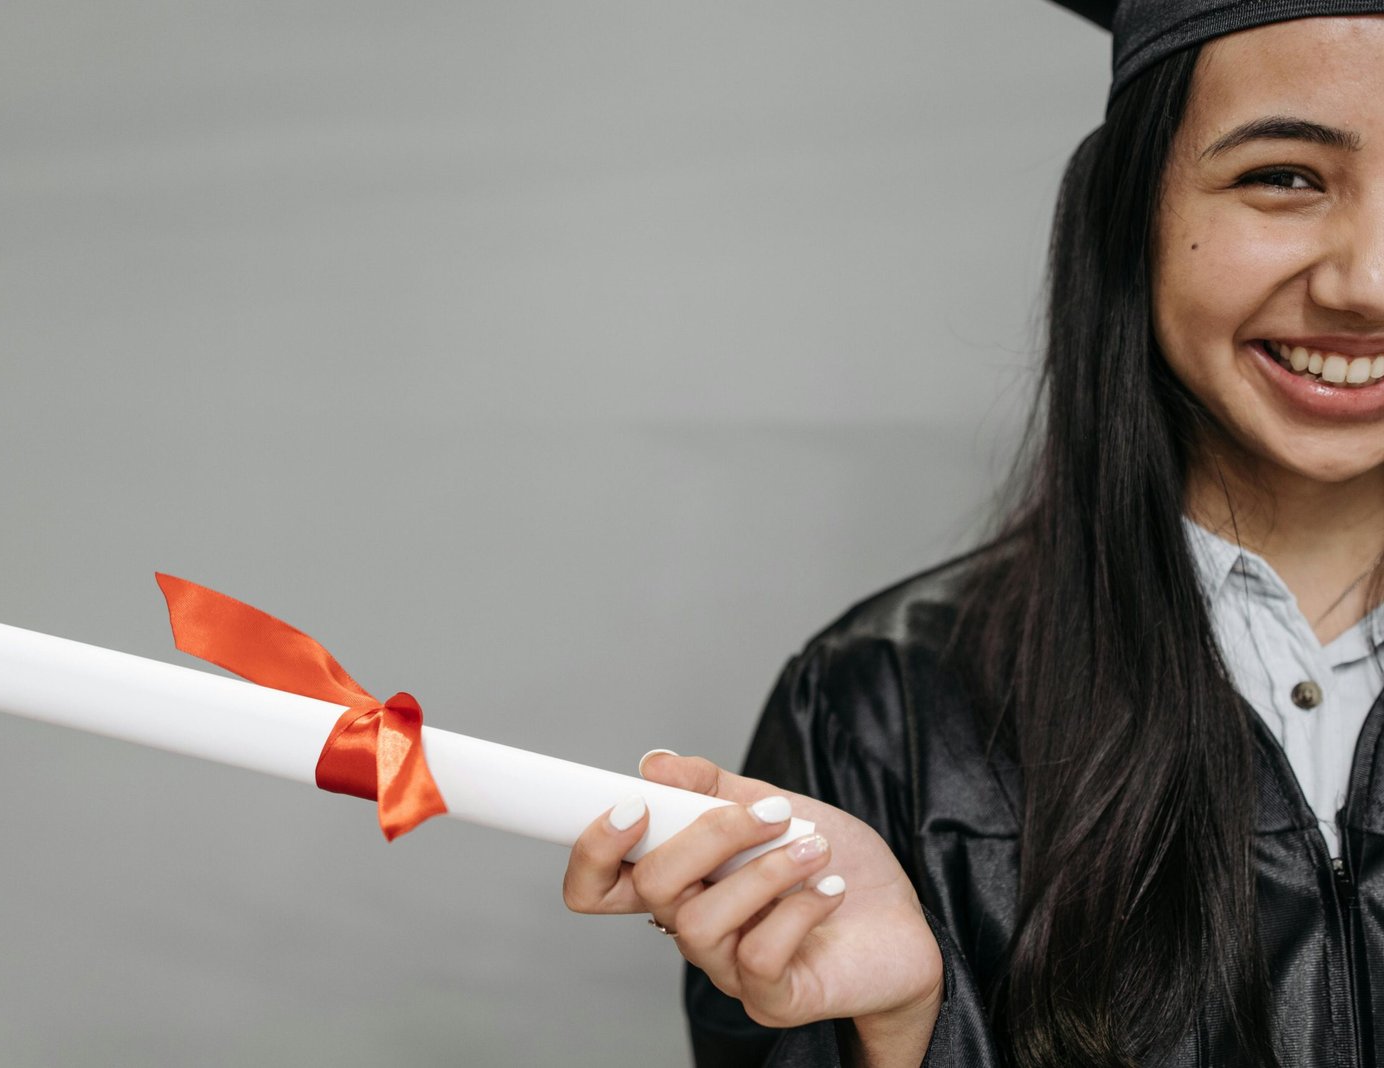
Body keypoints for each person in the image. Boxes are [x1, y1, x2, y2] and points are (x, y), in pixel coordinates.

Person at [562, 3, 1384, 1065]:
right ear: (1129, 212)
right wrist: (908, 1032)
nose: (1364, 282)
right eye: (1283, 176)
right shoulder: (884, 713)